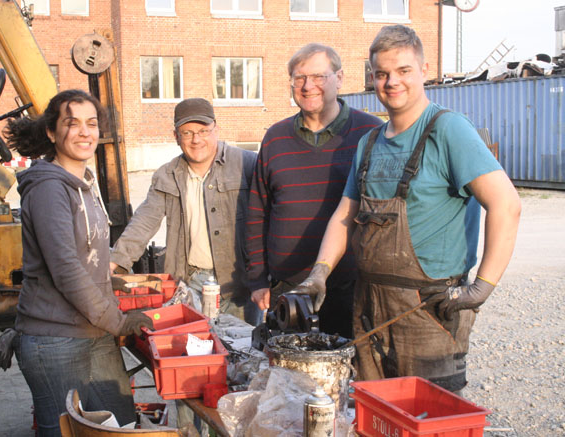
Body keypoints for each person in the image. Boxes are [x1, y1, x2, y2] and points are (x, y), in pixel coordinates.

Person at [295, 25, 521, 393]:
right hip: (369, 304)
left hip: (429, 309)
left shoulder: (448, 130)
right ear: (372, 77)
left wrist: (482, 286)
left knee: (427, 418)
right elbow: (345, 214)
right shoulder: (370, 143)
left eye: (403, 71)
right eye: (382, 73)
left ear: (424, 69)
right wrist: (319, 274)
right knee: (373, 414)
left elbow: (506, 204)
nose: (391, 82)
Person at [4, 89, 153, 436]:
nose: (85, 132)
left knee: (120, 424)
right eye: (72, 124)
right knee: (64, 431)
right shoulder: (48, 188)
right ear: (52, 133)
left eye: (92, 123)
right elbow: (66, 268)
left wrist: (113, 285)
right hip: (55, 338)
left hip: (92, 330)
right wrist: (117, 321)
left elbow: (88, 258)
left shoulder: (83, 182)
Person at [246, 43, 383, 338]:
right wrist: (258, 279)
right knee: (287, 378)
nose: (308, 86)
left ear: (340, 78)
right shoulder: (275, 139)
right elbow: (257, 212)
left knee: (347, 375)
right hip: (288, 291)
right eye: (299, 78)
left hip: (350, 290)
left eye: (319, 76)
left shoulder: (371, 134)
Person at [110, 98, 260, 326]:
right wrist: (116, 263)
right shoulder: (167, 175)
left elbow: (276, 214)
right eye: (187, 133)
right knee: (197, 352)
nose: (196, 139)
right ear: (176, 136)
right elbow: (144, 222)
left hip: (241, 284)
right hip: (191, 285)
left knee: (244, 353)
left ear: (216, 130)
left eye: (203, 131)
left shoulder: (248, 164)